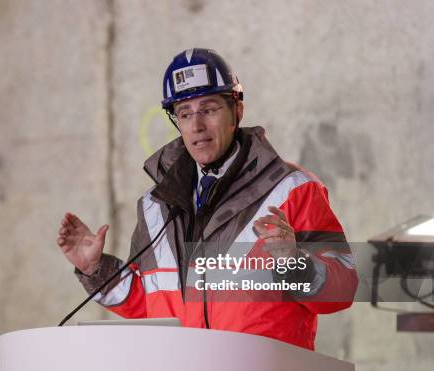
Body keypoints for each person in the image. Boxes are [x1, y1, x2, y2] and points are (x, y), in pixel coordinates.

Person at [57, 48, 358, 350]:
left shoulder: (292, 190)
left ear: (237, 111)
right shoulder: (156, 206)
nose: (196, 125)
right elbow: (148, 303)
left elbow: (343, 290)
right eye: (185, 113)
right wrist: (95, 269)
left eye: (209, 109)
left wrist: (294, 264)